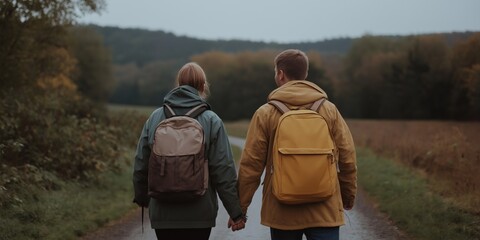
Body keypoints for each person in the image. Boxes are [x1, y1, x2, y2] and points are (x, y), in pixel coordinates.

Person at [237, 49, 357, 240]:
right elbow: (348, 156)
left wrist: (240, 210)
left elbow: (251, 165)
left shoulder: (265, 113)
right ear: (305, 74)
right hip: (325, 209)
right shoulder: (329, 110)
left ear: (280, 74)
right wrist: (348, 196)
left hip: (282, 211)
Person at [133, 62, 246, 240]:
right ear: (202, 87)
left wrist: (142, 198)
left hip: (163, 211)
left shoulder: (155, 117)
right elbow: (223, 170)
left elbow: (141, 162)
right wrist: (236, 213)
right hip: (200, 213)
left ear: (178, 84)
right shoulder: (211, 120)